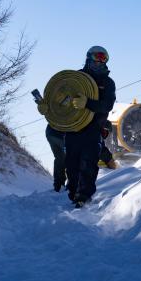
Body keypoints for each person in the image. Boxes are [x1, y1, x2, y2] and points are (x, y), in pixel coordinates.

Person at [37, 46, 116, 208]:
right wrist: (46, 108)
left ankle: (83, 196)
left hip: (93, 129)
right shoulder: (75, 79)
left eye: (104, 58)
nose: (100, 61)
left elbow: (107, 105)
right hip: (73, 128)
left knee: (88, 163)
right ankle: (73, 193)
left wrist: (87, 103)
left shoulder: (107, 83)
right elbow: (59, 100)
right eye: (97, 57)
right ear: (89, 58)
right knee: (71, 164)